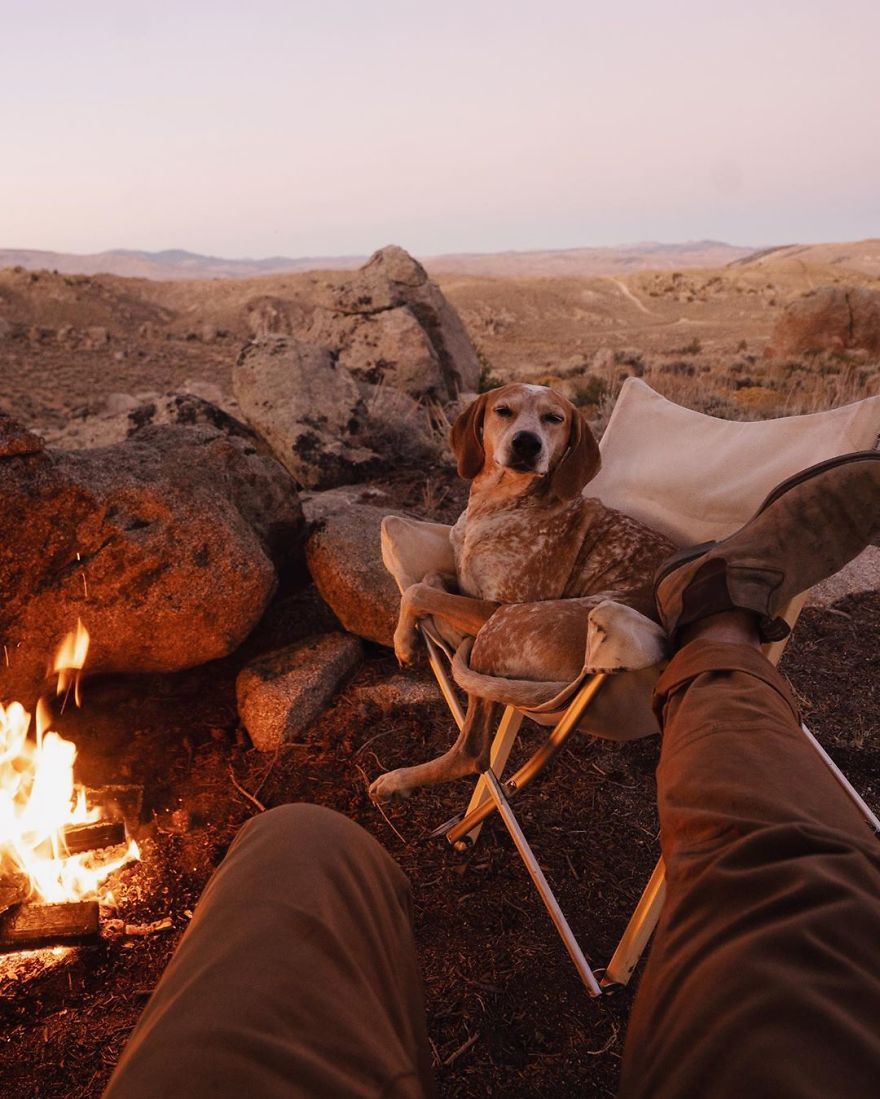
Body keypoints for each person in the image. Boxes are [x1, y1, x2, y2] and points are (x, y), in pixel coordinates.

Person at [104, 453, 880, 1099]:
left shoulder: (559, 504)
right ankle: (718, 626)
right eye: (508, 418)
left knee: (295, 838)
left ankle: (704, 623)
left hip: (597, 662)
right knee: (789, 894)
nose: (526, 438)